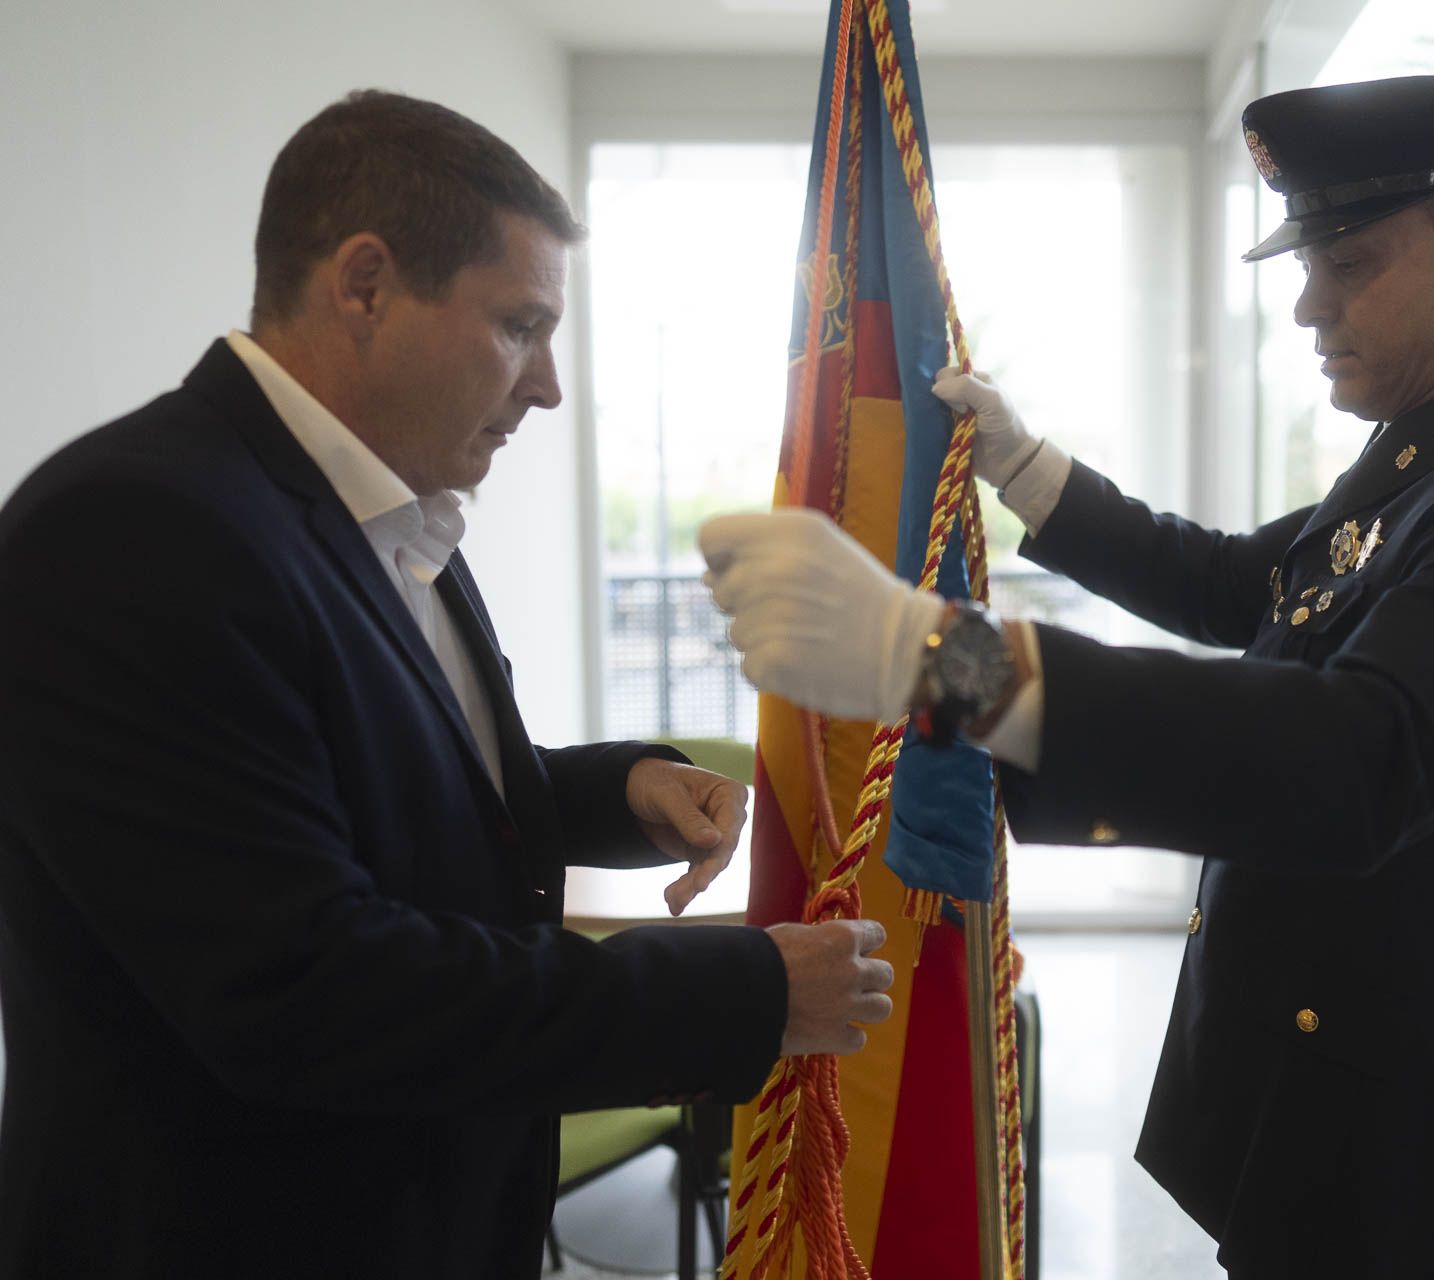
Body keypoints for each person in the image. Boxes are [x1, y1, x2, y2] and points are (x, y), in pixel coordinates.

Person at [700, 76, 1434, 1277]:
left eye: (1349, 263)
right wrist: (1026, 464)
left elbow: (1360, 758)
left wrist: (945, 663)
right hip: (1315, 1102)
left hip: (1414, 1162)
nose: (1310, 306)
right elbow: (1246, 588)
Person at [0, 90, 892, 1280]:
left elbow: (387, 791)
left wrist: (620, 787)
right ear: (364, 285)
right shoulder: (134, 528)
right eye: (521, 325)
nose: (549, 388)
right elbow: (308, 986)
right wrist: (743, 987)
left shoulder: (391, 516)